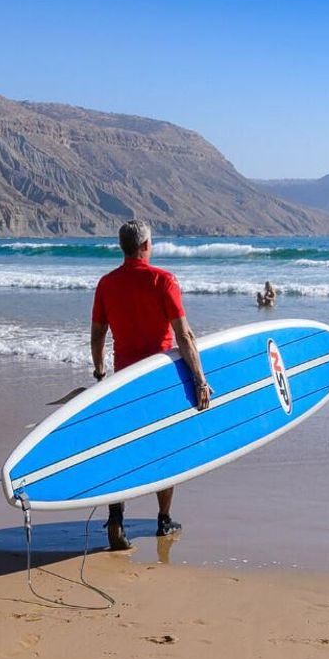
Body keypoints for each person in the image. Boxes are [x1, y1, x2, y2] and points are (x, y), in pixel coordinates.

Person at [91, 220, 212, 551]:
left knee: (121, 449)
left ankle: (116, 518)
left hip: (124, 380)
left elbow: (98, 332)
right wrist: (200, 379)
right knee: (166, 449)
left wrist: (100, 369)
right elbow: (184, 335)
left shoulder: (106, 284)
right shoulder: (163, 280)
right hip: (161, 382)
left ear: (123, 247)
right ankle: (163, 520)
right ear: (146, 245)